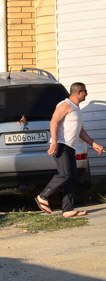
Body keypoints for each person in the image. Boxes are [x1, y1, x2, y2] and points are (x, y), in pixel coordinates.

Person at [38, 81, 104, 218]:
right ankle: (43, 196)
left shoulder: (76, 109)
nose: (87, 94)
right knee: (65, 174)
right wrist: (54, 142)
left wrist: (93, 144)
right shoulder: (65, 105)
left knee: (73, 178)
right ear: (79, 92)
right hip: (61, 145)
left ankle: (67, 209)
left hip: (70, 147)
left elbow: (80, 131)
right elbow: (54, 121)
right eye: (85, 91)